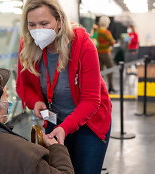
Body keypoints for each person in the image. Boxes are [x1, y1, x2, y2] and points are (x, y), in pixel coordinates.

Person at [16, 0, 112, 174]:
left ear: (59, 21)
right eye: (32, 24)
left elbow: (91, 100)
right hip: (55, 120)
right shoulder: (28, 45)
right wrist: (35, 102)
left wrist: (65, 127)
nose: (38, 30)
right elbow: (24, 87)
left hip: (90, 122)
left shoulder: (83, 44)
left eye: (44, 23)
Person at [96, 16, 116, 93]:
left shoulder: (98, 31)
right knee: (111, 69)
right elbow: (112, 42)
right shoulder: (106, 32)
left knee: (100, 71)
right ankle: (110, 87)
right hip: (106, 53)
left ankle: (101, 88)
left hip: (98, 53)